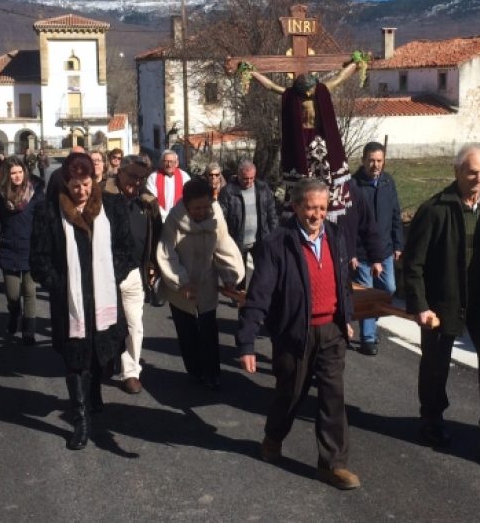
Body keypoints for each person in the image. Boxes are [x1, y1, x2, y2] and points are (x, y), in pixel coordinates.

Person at [403, 145, 480, 468]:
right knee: (435, 365)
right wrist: (420, 306)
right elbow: (413, 264)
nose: (479, 179)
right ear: (456, 171)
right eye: (472, 172)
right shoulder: (434, 210)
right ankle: (431, 422)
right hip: (444, 302)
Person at [237, 178, 359, 489]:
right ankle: (273, 436)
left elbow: (342, 279)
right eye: (310, 208)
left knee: (333, 397)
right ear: (295, 207)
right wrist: (247, 342)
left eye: (322, 207)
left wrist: (346, 316)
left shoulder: (334, 234)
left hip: (330, 330)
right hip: (295, 333)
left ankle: (332, 464)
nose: (317, 214)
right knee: (290, 394)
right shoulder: (278, 243)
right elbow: (259, 296)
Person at [30, 152, 132, 450]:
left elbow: (126, 249)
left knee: (102, 354)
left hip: (104, 298)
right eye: (75, 185)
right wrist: (58, 284)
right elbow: (39, 259)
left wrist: (113, 275)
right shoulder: (49, 212)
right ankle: (81, 419)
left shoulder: (112, 207)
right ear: (66, 181)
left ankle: (96, 389)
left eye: (85, 184)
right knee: (75, 360)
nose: (81, 191)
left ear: (93, 180)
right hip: (71, 302)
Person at [157, 179, 244, 390]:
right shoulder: (174, 220)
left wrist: (231, 276)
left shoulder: (215, 215)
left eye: (205, 206)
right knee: (187, 332)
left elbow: (224, 244)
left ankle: (213, 372)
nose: (201, 212)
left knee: (208, 329)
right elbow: (167, 254)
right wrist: (181, 282)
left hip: (206, 281)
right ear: (186, 205)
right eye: (196, 208)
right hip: (181, 285)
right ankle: (195, 371)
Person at [248, 62, 359, 221]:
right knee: (305, 179)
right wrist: (252, 72)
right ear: (305, 91)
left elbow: (340, 77)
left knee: (327, 176)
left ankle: (327, 205)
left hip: (321, 140)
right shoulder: (293, 96)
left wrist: (357, 63)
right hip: (303, 143)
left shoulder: (322, 90)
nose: (311, 92)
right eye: (309, 90)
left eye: (313, 88)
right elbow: (271, 86)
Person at [102, 155, 161, 394]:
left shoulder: (147, 204)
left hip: (135, 273)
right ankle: (106, 360)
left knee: (135, 324)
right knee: (106, 322)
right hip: (107, 273)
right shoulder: (103, 199)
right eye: (131, 176)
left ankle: (131, 371)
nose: (135, 182)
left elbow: (157, 235)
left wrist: (154, 265)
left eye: (140, 178)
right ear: (120, 172)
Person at [351, 142, 404, 356]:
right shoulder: (353, 185)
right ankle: (368, 338)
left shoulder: (388, 182)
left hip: (385, 250)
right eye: (371, 160)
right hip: (363, 253)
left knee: (388, 289)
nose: (375, 165)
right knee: (368, 296)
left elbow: (395, 214)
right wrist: (352, 252)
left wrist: (398, 244)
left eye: (379, 161)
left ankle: (371, 320)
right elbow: (349, 223)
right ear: (363, 160)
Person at [0, 157, 46, 346]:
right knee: (12, 294)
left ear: (24, 172)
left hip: (30, 247)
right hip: (9, 247)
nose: (17, 176)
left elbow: (43, 220)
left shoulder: (36, 194)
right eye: (13, 173)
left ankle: (28, 331)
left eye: (19, 172)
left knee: (30, 291)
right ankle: (14, 313)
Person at [220, 159, 279, 293]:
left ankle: (258, 296)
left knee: (263, 271)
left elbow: (272, 214)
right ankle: (239, 298)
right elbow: (221, 217)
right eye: (245, 179)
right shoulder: (228, 191)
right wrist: (225, 239)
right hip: (237, 240)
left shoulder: (263, 189)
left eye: (252, 178)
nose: (249, 182)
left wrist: (274, 236)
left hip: (260, 239)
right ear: (239, 175)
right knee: (239, 273)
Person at [146, 149, 191, 220]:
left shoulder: (184, 176)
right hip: (159, 218)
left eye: (171, 162)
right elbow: (152, 200)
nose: (169, 165)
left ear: (177, 163)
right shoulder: (153, 177)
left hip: (180, 218)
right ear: (161, 163)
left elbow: (189, 197)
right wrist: (165, 215)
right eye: (166, 161)